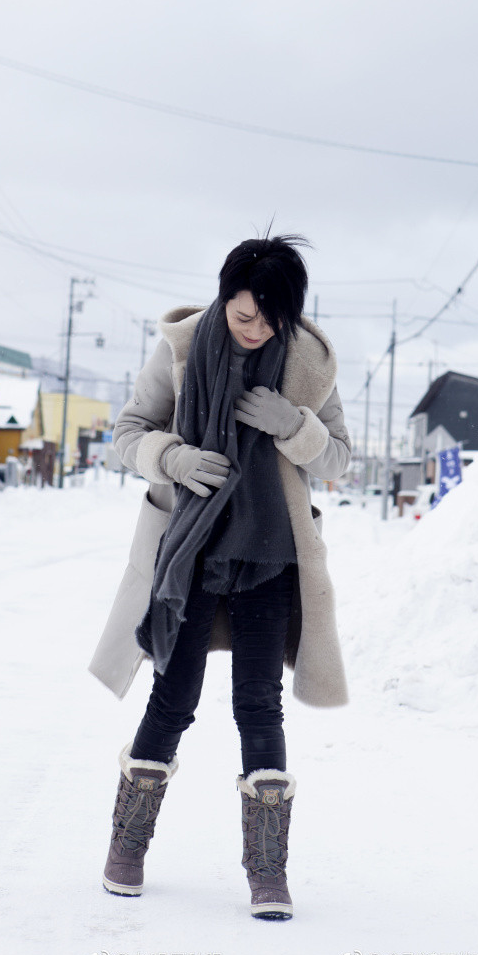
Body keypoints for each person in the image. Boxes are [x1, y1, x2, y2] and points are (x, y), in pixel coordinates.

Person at [88, 234, 351, 920]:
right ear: (224, 296)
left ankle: (268, 871)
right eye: (244, 314)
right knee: (171, 699)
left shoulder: (309, 364)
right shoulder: (179, 350)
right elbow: (128, 432)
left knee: (260, 704)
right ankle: (127, 846)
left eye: (270, 318)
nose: (256, 328)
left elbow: (339, 461)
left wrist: (296, 424)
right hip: (190, 554)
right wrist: (171, 457)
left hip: (270, 554)